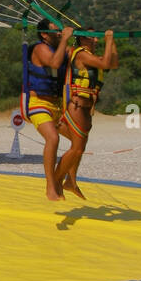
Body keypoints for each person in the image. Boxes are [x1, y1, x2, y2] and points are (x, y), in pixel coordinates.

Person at [55, 31, 118, 199]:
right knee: (77, 147)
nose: (97, 40)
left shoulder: (91, 57)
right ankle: (55, 181)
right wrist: (109, 39)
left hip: (86, 108)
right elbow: (105, 63)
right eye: (93, 37)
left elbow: (113, 63)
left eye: (97, 37)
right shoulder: (81, 55)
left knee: (79, 148)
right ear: (83, 38)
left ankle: (70, 182)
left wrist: (113, 43)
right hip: (76, 105)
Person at [22, 21, 72, 202]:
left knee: (77, 142)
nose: (59, 33)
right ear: (44, 35)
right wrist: (66, 38)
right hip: (38, 104)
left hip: (57, 105)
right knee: (53, 138)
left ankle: (64, 181)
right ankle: (50, 187)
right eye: (55, 31)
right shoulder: (40, 49)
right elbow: (54, 63)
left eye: (60, 30)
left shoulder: (62, 49)